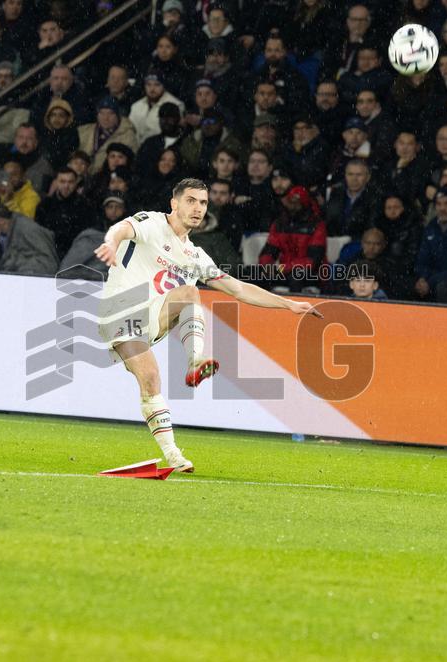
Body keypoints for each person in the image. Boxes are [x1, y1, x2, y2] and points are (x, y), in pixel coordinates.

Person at [93, 178, 322, 472]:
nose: (198, 208)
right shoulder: (152, 222)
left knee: (159, 361)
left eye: (203, 202)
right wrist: (111, 242)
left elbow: (238, 289)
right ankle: (191, 377)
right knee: (158, 361)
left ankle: (175, 449)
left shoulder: (196, 256)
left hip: (154, 314)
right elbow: (121, 228)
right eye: (190, 200)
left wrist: (289, 304)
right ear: (174, 204)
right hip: (121, 311)